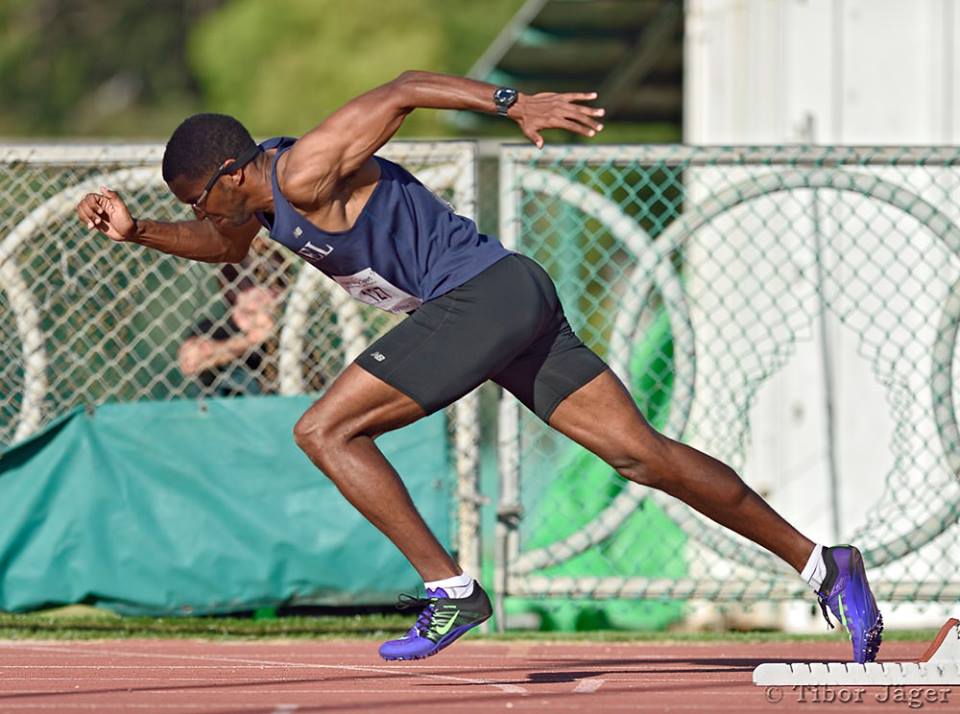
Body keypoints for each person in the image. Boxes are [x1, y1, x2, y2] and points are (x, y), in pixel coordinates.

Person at [76, 70, 882, 663]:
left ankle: (450, 591)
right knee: (642, 455)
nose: (196, 213)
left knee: (325, 431)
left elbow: (402, 90)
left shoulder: (305, 168)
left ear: (230, 174)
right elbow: (223, 246)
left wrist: (512, 104)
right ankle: (823, 563)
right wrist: (138, 231)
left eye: (195, 199)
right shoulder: (255, 208)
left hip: (481, 299)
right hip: (502, 300)